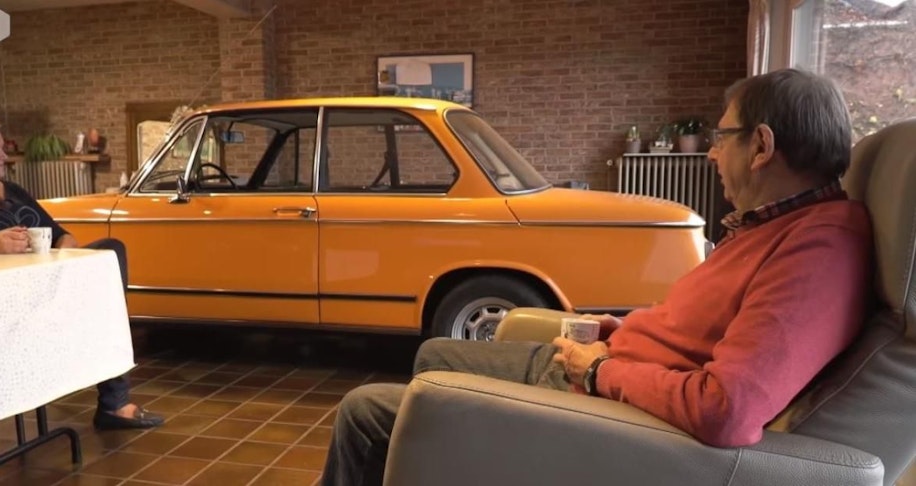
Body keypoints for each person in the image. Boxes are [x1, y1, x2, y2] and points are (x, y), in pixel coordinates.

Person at [320, 68, 874, 486]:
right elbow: (704, 333)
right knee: (434, 354)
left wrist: (599, 370)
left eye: (721, 136)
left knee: (364, 412)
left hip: (606, 406)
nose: (710, 153)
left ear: (761, 146)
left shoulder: (818, 247)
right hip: (609, 371)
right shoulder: (777, 225)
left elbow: (725, 410)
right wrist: (620, 331)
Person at [0, 114, 164, 431]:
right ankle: (114, 403)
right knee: (104, 288)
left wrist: (62, 253)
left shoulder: (11, 190)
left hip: (46, 287)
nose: (5, 156)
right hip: (4, 306)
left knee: (111, 250)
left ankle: (114, 401)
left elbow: (61, 235)